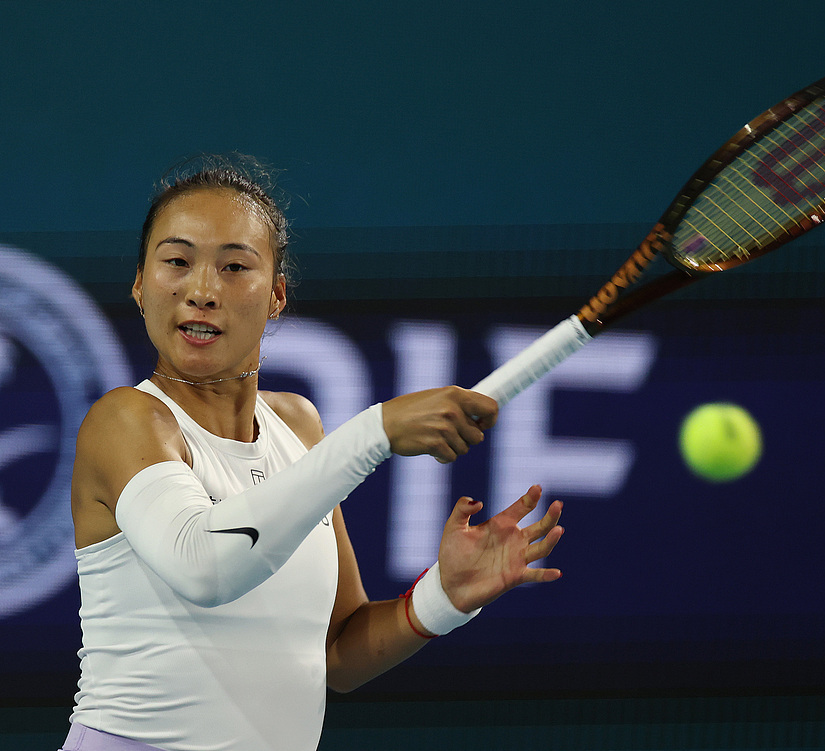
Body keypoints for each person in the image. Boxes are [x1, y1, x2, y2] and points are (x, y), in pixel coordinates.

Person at [63, 156, 564, 751]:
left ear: (276, 294)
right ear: (140, 284)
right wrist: (376, 432)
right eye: (177, 262)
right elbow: (204, 566)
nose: (201, 291)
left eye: (234, 266)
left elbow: (336, 652)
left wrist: (444, 597)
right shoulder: (125, 421)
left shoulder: (297, 426)